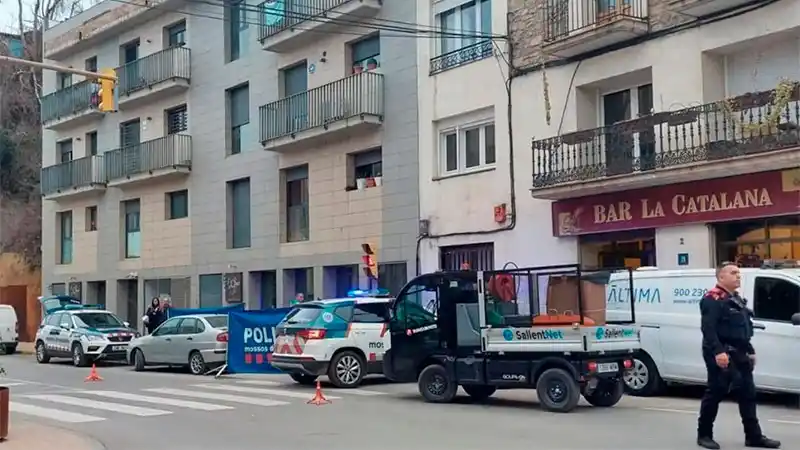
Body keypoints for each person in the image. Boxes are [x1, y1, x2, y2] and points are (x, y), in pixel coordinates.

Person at [696, 262, 780, 449]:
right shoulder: (712, 299)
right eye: (733, 273)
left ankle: (753, 436)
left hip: (740, 351)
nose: (738, 276)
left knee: (748, 393)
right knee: (716, 391)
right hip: (721, 352)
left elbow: (742, 328)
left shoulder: (735, 299)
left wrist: (750, 350)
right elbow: (708, 329)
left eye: (739, 273)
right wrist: (719, 352)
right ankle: (704, 434)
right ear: (721, 277)